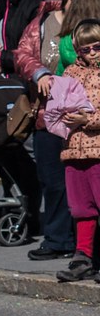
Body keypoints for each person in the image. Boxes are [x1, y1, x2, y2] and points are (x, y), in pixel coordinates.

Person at [14, 0, 96, 260]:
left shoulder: (88, 37)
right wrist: (40, 73)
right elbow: (23, 52)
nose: (72, 5)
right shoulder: (43, 22)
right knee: (53, 179)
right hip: (49, 113)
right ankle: (59, 238)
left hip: (80, 117)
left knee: (82, 186)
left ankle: (80, 246)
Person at [52, 20, 100, 283]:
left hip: (98, 151)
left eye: (97, 47)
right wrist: (60, 114)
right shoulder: (69, 73)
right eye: (85, 49)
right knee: (81, 208)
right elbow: (55, 107)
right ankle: (82, 257)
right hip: (73, 149)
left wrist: (87, 120)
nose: (91, 53)